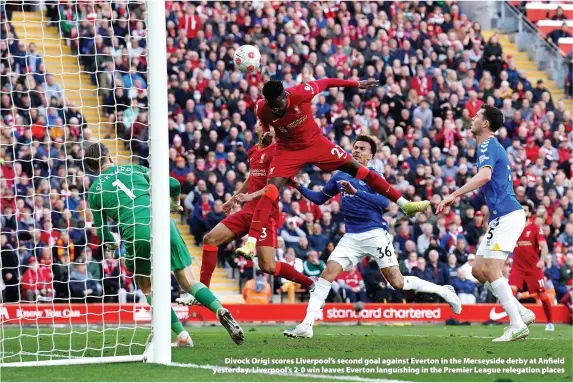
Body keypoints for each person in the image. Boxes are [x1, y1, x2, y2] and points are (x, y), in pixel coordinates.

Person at [284, 136, 460, 338]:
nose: (357, 151)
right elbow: (319, 198)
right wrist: (298, 186)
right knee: (327, 275)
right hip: (351, 237)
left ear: (371, 155)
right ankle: (307, 325)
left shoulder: (373, 176)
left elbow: (385, 203)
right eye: (355, 147)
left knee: (397, 282)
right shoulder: (340, 176)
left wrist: (357, 192)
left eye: (362, 149)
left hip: (375, 233)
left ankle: (444, 291)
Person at [236, 79, 430, 258]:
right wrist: (268, 135)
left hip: (316, 144)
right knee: (270, 191)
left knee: (362, 172)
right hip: (288, 151)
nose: (277, 111)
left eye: (279, 106)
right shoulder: (262, 108)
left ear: (286, 96)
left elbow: (327, 82)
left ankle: (405, 204)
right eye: (273, 107)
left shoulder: (302, 92)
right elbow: (264, 124)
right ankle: (251, 243)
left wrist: (356, 84)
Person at [84, 143, 244, 347]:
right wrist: (175, 203)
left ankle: (182, 335)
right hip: (162, 221)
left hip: (136, 231)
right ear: (110, 158)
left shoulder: (94, 191)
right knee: (188, 281)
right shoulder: (134, 168)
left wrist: (112, 245)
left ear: (91, 169)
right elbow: (174, 184)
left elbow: (102, 232)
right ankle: (219, 309)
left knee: (149, 288)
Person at [438, 105, 531, 342]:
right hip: (501, 215)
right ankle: (520, 310)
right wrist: (490, 214)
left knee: (491, 270)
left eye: (477, 115)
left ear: (486, 124)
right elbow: (497, 184)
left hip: (509, 216)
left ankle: (517, 323)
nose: (472, 118)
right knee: (478, 270)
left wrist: (453, 195)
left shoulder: (488, 144)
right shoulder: (488, 146)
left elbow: (485, 177)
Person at [198, 125, 313, 291]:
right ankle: (202, 291)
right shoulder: (253, 151)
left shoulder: (277, 152)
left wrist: (250, 196)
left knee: (268, 266)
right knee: (210, 239)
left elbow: (273, 186)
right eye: (262, 124)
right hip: (247, 212)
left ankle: (309, 283)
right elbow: (252, 177)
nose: (266, 128)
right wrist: (232, 200)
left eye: (271, 127)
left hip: (266, 216)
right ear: (257, 129)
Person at [509, 201, 553, 331]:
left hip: (534, 268)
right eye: (521, 210)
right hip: (518, 268)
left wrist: (542, 259)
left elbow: (544, 246)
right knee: (510, 294)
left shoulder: (534, 228)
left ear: (529, 213)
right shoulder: (513, 229)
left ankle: (550, 322)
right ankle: (516, 322)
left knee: (543, 297)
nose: (523, 212)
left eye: (525, 210)